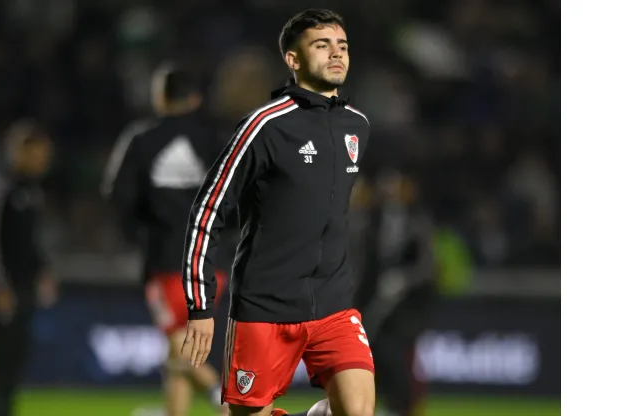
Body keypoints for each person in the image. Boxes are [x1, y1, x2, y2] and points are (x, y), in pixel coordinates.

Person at [179, 9, 375, 416]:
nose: (336, 54)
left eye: (342, 46)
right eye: (322, 45)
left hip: (333, 305)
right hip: (266, 306)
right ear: (293, 59)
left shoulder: (357, 126)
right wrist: (200, 307)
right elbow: (209, 208)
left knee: (358, 410)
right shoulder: (264, 126)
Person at [102, 64, 229, 416]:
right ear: (196, 98)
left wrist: (140, 232)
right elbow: (242, 194)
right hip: (213, 264)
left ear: (160, 97)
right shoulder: (216, 140)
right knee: (176, 355)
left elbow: (116, 195)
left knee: (180, 348)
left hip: (166, 262)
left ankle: (227, 399)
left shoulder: (142, 139)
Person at [0, 119, 59, 416]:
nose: (44, 159)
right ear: (22, 151)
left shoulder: (32, 190)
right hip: (5, 287)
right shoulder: (1, 186)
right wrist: (0, 285)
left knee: (15, 356)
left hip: (24, 286)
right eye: (39, 153)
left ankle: (5, 410)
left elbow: (31, 241)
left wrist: (43, 272)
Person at [353, 170, 437, 416]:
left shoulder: (418, 222)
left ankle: (403, 407)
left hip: (406, 309)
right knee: (371, 356)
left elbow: (426, 266)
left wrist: (404, 279)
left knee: (398, 358)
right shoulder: (371, 221)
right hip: (373, 304)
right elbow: (361, 263)